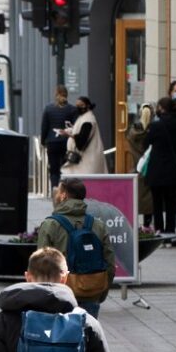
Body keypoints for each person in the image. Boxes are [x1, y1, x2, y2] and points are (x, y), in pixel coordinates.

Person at [33, 177, 113, 317]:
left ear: (63, 195)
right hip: (91, 292)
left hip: (61, 295)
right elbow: (110, 263)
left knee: (62, 337)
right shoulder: (98, 225)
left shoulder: (50, 225)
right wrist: (100, 293)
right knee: (88, 335)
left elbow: (41, 267)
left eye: (58, 191)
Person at [143, 97, 176, 236]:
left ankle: (159, 229)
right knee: (171, 201)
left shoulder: (156, 125)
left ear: (161, 108)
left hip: (157, 168)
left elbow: (146, 143)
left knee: (157, 202)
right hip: (173, 168)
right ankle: (171, 229)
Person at [39, 86, 73, 190]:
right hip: (66, 143)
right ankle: (64, 191)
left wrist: (43, 141)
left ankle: (54, 190)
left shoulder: (48, 109)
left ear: (56, 94)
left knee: (54, 169)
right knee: (65, 168)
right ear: (66, 95)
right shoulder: (72, 109)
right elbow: (74, 127)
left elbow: (44, 127)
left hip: (52, 142)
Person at [60, 96, 104, 176]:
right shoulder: (85, 117)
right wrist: (73, 129)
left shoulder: (88, 120)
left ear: (87, 105)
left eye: (81, 105)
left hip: (86, 161)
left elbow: (81, 140)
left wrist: (69, 134)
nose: (78, 107)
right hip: (84, 161)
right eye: (77, 105)